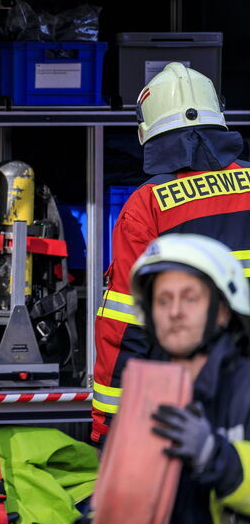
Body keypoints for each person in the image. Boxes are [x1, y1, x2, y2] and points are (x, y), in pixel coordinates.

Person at [93, 62, 250, 444]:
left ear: (147, 130)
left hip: (193, 403)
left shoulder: (147, 205)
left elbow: (126, 324)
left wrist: (108, 426)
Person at [128, 234, 250, 521]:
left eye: (190, 298)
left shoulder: (245, 386)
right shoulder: (149, 392)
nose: (175, 312)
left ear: (222, 310)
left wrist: (216, 457)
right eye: (162, 300)